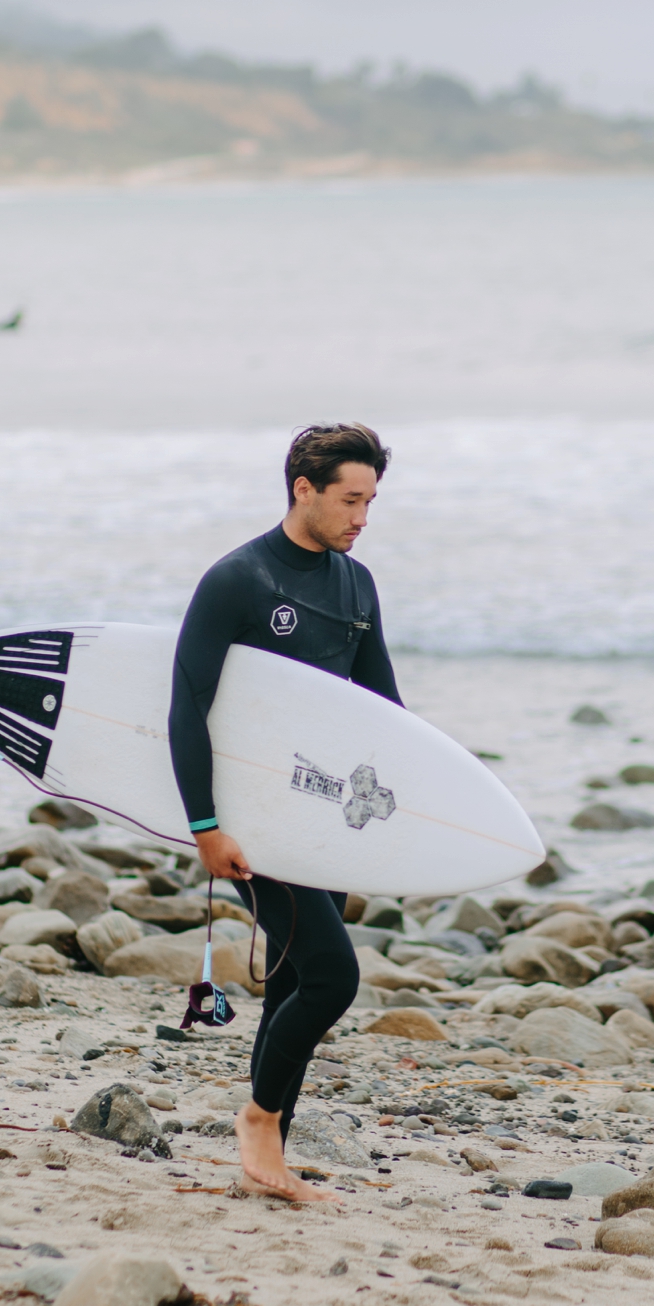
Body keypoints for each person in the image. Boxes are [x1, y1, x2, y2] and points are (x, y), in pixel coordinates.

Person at [168, 421, 401, 1201]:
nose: (362, 517)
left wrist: (418, 808)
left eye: (371, 500)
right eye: (350, 499)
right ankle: (259, 1120)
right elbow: (186, 706)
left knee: (301, 970)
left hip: (321, 817)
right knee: (334, 977)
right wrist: (205, 826)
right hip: (250, 822)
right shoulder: (240, 579)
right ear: (303, 488)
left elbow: (381, 709)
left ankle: (271, 1153)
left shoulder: (355, 584)